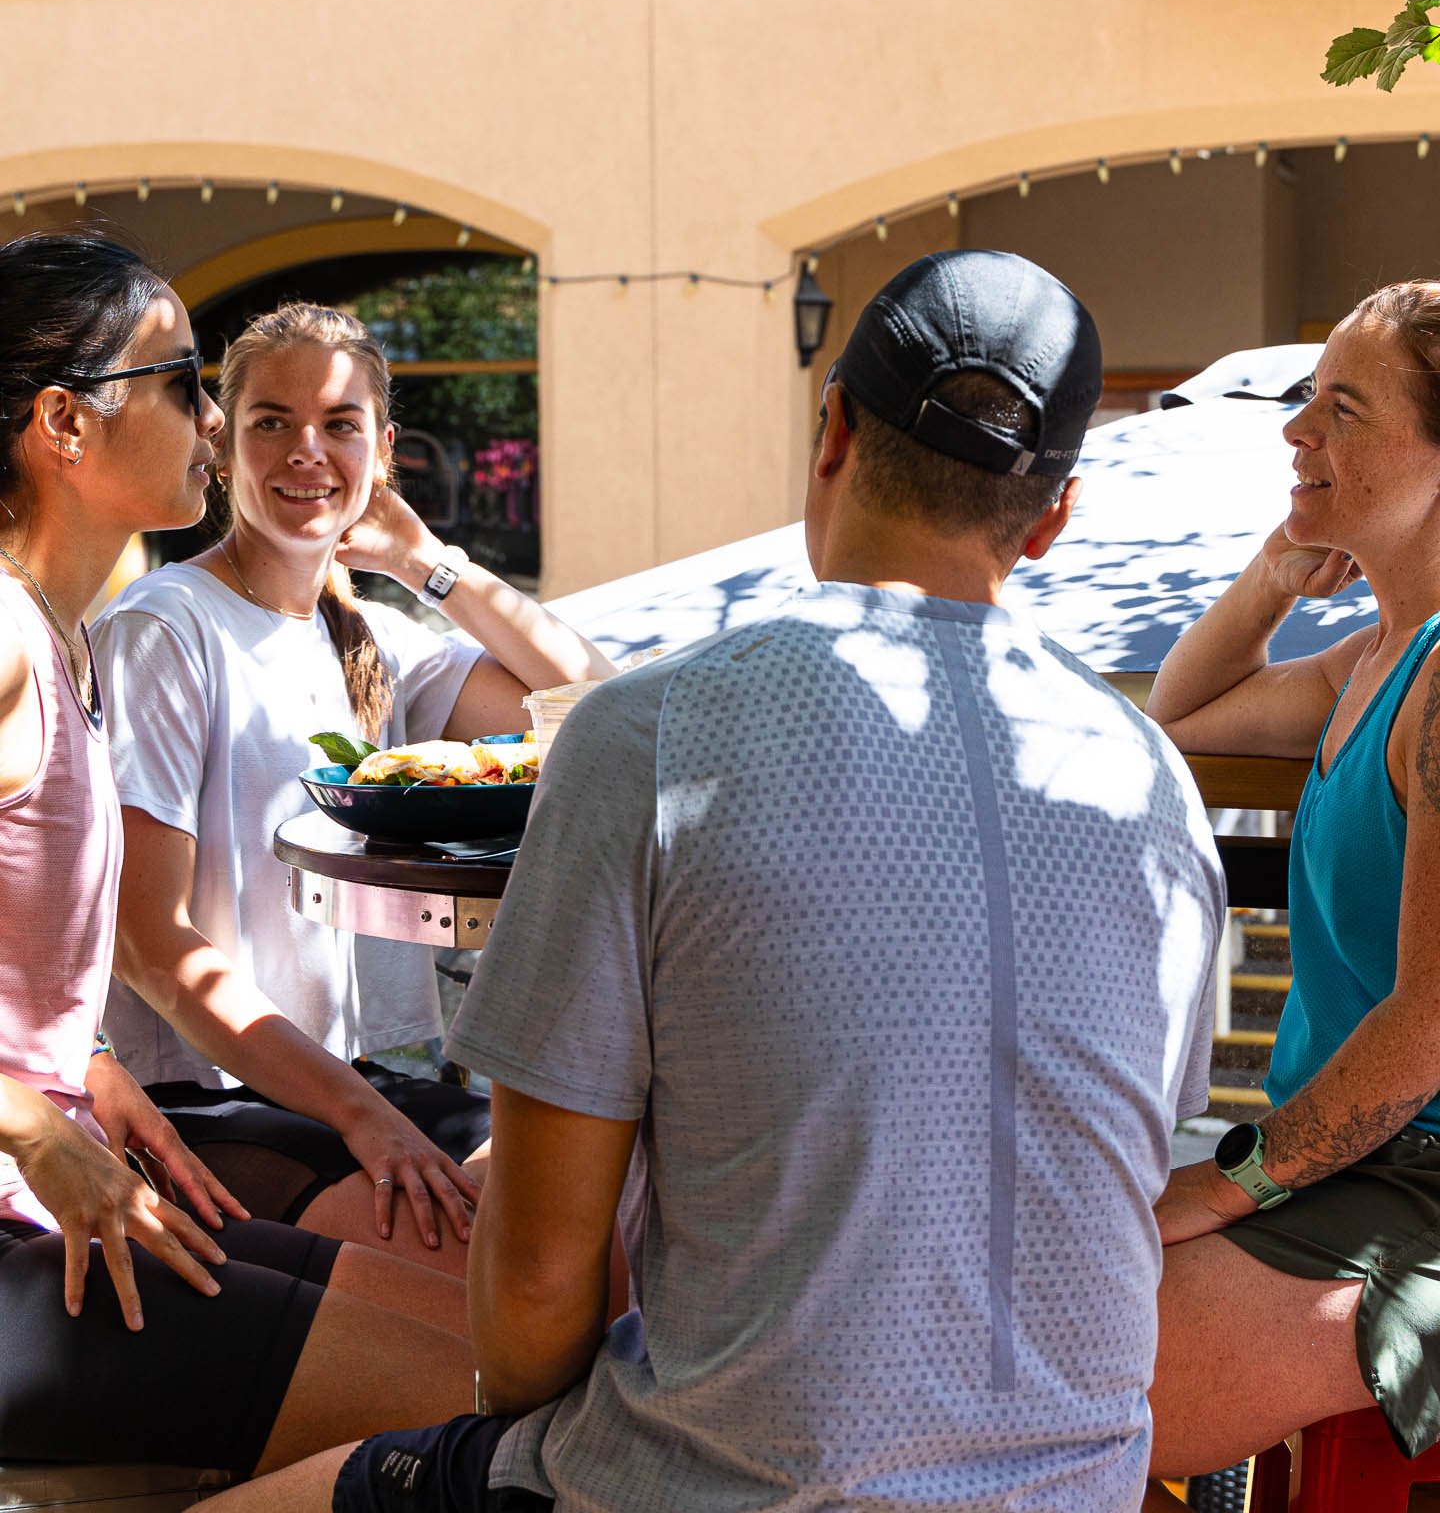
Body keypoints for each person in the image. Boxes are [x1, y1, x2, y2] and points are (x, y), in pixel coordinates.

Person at [213, 249, 1226, 1513]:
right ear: (1056, 514)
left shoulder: (652, 734)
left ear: (833, 429)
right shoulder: (1153, 781)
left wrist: (522, 1446)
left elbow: (533, 1284)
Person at [0, 232, 479, 1473]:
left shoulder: (60, 637)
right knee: (481, 1403)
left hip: (79, 1193)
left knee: (512, 1348)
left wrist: (84, 1068)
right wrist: (33, 1128)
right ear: (64, 421)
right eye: (180, 384)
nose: (212, 422)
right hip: (27, 1232)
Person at [90, 302, 614, 1276]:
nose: (306, 452)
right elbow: (146, 941)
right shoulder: (165, 628)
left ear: (382, 452)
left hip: (365, 1086)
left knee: (617, 1215)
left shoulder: (368, 635)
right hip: (213, 1103)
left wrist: (427, 563)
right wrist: (364, 1117)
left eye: (339, 425)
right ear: (223, 439)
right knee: (515, 1266)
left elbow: (591, 705)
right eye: (271, 422)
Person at [1140, 280, 1440, 1486]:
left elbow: (1426, 1031)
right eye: (1305, 400)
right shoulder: (1370, 662)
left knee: (1052, 1363)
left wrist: (1228, 1183)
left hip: (1414, 1188)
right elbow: (1181, 710)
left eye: (1344, 409)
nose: (1295, 430)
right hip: (1341, 1165)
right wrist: (1281, 560)